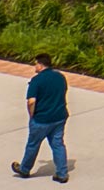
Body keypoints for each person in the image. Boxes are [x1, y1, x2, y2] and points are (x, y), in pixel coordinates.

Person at [14, 52, 71, 182]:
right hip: (59, 116)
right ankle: (62, 173)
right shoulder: (60, 77)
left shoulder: (37, 80)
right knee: (58, 144)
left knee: (33, 144)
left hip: (42, 119)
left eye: (35, 63)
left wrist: (31, 114)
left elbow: (31, 101)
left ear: (40, 64)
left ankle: (25, 169)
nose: (35, 66)